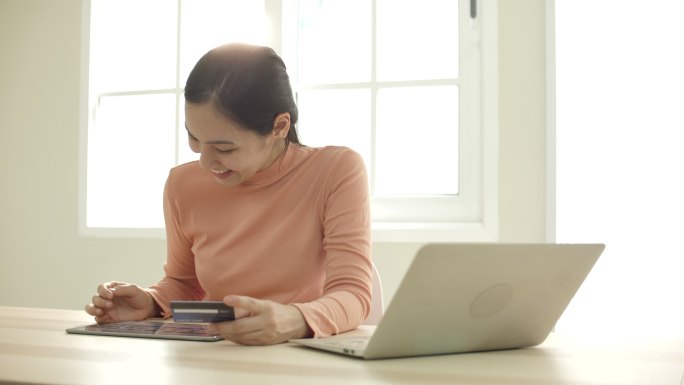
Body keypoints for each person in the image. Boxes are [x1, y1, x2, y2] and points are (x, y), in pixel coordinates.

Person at [85, 43, 372, 346]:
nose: (205, 163)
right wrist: (152, 301)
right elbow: (185, 283)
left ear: (279, 126)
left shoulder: (335, 170)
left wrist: (295, 320)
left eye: (224, 149)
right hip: (214, 353)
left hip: (302, 353)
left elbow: (353, 294)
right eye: (194, 138)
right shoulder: (182, 184)